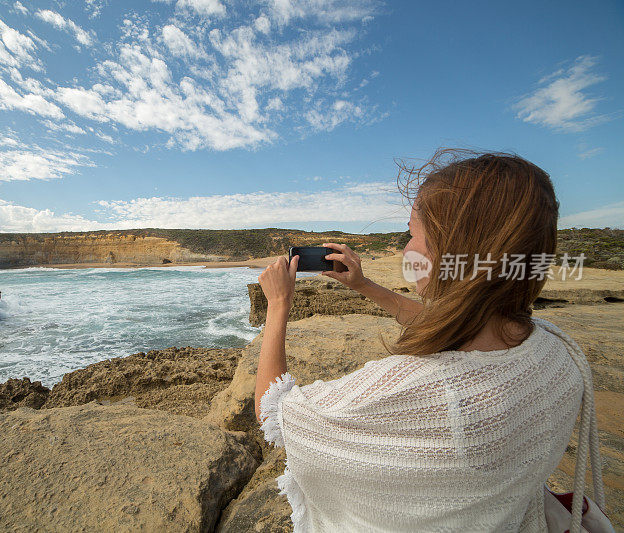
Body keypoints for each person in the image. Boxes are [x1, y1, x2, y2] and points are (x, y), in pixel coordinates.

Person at [254, 149, 603, 532]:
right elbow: (458, 323)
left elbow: (275, 414)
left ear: (453, 247)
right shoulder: (557, 350)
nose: (406, 248)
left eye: (413, 233)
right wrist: (363, 284)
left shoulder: (417, 394)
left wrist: (279, 304)